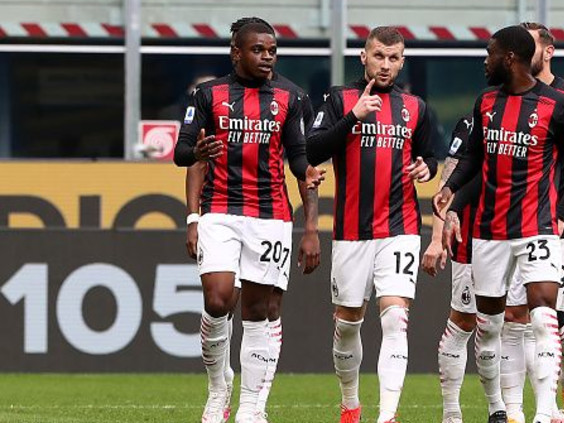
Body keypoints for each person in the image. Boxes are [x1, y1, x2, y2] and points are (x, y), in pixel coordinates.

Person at [434, 25, 564, 423]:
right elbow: (475, 159)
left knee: (544, 315)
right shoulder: (485, 103)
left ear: (509, 58)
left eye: (490, 53)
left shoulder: (559, 105)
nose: (485, 60)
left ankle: (544, 413)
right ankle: (504, 409)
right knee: (491, 327)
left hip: (538, 227)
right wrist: (451, 191)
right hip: (490, 231)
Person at [174, 20, 324, 423]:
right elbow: (182, 153)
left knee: (259, 310)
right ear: (236, 52)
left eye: (272, 50)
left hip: (270, 217)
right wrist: (193, 214)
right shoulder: (208, 95)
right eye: (258, 50)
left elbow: (299, 160)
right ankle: (218, 388)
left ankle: (251, 407)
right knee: (217, 299)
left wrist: (310, 222)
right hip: (220, 211)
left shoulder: (292, 97)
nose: (267, 57)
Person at [307, 26, 437, 423]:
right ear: (363, 57)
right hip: (351, 231)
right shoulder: (338, 99)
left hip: (401, 227)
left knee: (395, 318)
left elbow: (431, 156)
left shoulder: (415, 107)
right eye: (378, 56)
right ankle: (350, 405)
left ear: (402, 62)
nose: (385, 64)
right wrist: (353, 117)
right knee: (348, 324)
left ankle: (388, 415)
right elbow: (312, 149)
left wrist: (426, 168)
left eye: (393, 58)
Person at [499, 22, 564, 423]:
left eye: (532, 45)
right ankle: (525, 410)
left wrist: (562, 214)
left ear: (548, 51)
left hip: (557, 223)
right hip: (512, 224)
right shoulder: (505, 96)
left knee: (553, 317)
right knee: (515, 316)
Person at [422, 114, 495, 423]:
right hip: (471, 236)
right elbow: (448, 180)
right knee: (464, 320)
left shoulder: (541, 113)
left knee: (520, 324)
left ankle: (508, 410)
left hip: (520, 231)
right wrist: (436, 239)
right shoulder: (471, 124)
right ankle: (451, 413)